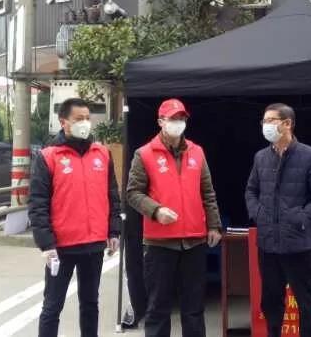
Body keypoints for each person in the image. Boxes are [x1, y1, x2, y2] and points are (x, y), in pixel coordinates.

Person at [126, 98, 222, 337]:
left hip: (194, 240)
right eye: (173, 118)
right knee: (158, 306)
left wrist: (214, 225)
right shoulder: (144, 153)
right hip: (160, 243)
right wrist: (156, 210)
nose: (178, 122)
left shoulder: (196, 152)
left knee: (194, 307)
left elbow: (207, 192)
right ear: (161, 121)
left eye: (181, 118)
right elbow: (133, 193)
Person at [28, 97, 121, 337]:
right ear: (64, 122)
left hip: (94, 244)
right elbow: (37, 204)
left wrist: (114, 230)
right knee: (52, 306)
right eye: (79, 119)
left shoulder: (102, 153)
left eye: (88, 118)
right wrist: (46, 244)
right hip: (61, 247)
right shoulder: (49, 156)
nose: (85, 123)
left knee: (90, 304)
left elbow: (112, 195)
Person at [245, 103, 311, 337]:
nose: (265, 126)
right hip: (268, 244)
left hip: (298, 244)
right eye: (263, 121)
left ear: (287, 124)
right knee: (271, 302)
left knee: (307, 303)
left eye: (270, 121)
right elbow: (251, 191)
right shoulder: (261, 157)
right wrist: (258, 214)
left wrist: (303, 218)